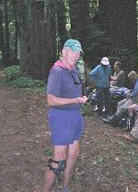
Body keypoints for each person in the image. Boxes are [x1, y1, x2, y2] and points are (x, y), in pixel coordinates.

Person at [42, 39, 88, 192]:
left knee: (74, 153)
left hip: (75, 116)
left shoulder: (73, 69)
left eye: (78, 53)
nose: (76, 56)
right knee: (59, 159)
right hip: (61, 117)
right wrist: (75, 100)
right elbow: (51, 100)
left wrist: (80, 99)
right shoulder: (58, 70)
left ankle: (65, 187)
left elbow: (74, 90)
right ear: (64, 51)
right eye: (74, 52)